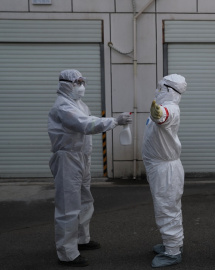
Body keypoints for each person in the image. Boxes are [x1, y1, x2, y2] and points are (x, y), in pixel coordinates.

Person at [48, 69, 132, 267]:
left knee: (85, 200)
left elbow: (89, 119)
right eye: (77, 82)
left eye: (82, 81)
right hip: (68, 159)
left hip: (81, 158)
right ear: (66, 84)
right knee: (68, 206)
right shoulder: (63, 106)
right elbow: (85, 124)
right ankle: (67, 253)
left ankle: (81, 239)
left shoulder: (78, 104)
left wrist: (112, 121)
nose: (81, 86)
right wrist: (115, 121)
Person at [142, 74, 187, 268]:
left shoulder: (170, 109)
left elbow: (163, 117)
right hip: (160, 168)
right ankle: (173, 243)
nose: (157, 90)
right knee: (168, 207)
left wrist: (158, 114)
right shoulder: (165, 107)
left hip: (165, 170)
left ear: (169, 90)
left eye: (160, 87)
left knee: (167, 209)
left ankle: (172, 252)